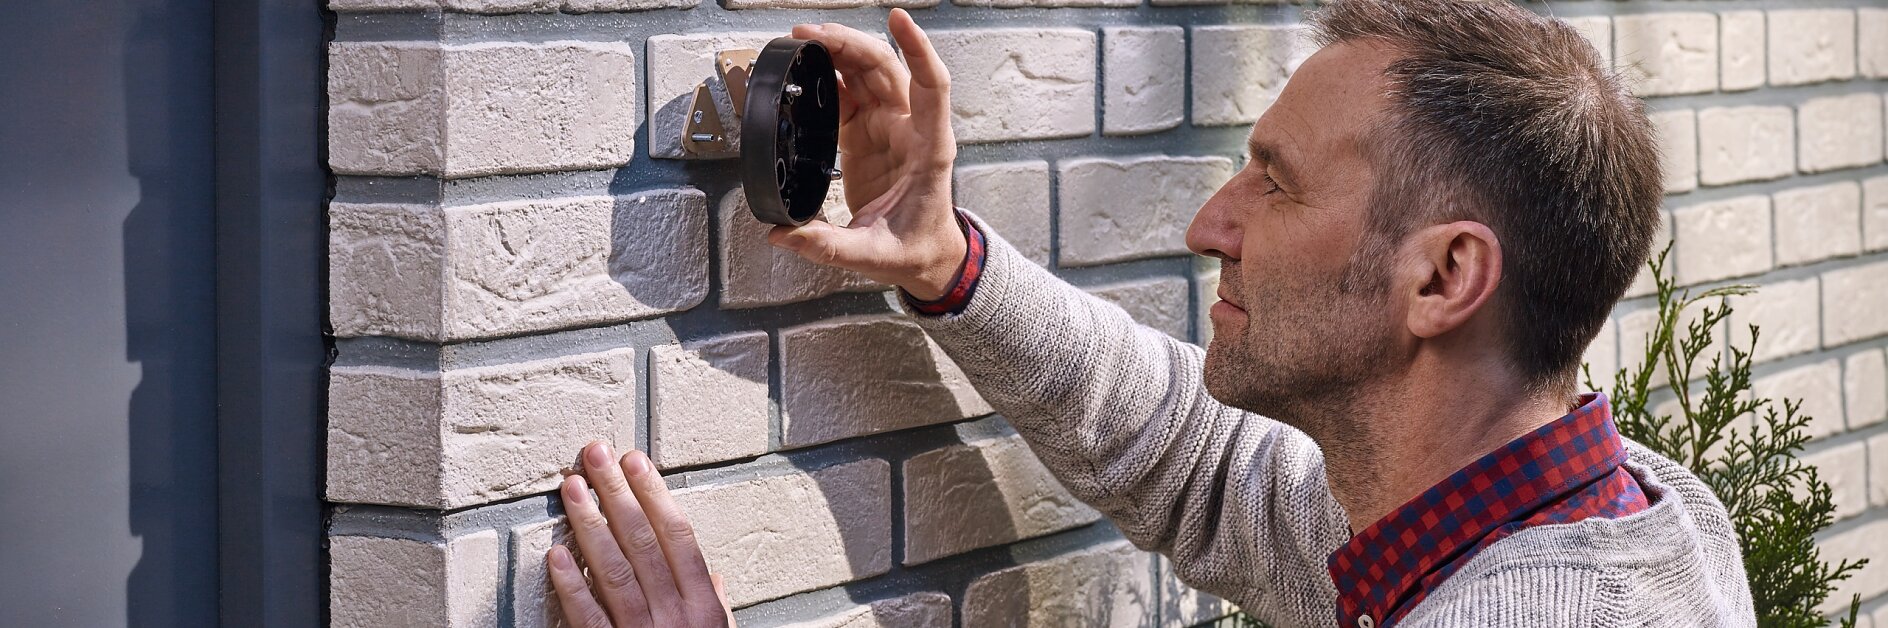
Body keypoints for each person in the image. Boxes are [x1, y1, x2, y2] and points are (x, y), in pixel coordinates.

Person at [545, 1, 1758, 626]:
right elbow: (1201, 464)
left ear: (1441, 280)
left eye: (1274, 184)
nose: (1209, 223)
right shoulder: (1573, 513)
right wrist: (946, 261)